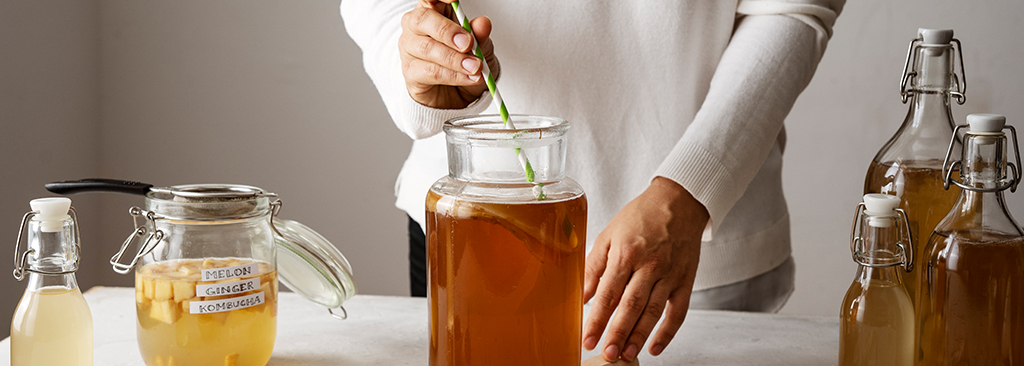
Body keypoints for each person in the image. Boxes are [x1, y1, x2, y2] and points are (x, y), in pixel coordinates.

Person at [341, 0, 844, 362]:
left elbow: (792, 9)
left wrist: (688, 190)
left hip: (693, 247)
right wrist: (419, 70)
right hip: (473, 232)